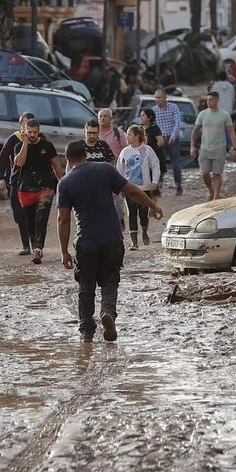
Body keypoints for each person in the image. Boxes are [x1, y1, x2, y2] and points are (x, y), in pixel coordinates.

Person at [56, 141, 163, 342]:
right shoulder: (105, 170)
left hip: (86, 242)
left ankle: (87, 331)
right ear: (86, 154)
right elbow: (131, 191)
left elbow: (63, 219)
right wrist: (152, 206)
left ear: (68, 159)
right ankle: (108, 313)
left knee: (86, 286)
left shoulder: (65, 182)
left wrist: (63, 251)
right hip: (112, 239)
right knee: (110, 280)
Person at [13, 119, 64, 264]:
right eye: (30, 132)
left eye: (35, 132)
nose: (32, 135)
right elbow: (20, 162)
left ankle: (38, 248)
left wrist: (64, 183)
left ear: (39, 131)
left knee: (41, 218)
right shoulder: (19, 146)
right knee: (30, 220)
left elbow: (57, 167)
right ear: (24, 131)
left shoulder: (47, 146)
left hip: (46, 187)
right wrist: (25, 143)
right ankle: (34, 245)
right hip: (26, 188)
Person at [116, 125, 160, 250]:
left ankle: (145, 231)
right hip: (129, 188)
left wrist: (154, 181)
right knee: (131, 213)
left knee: (143, 213)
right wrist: (119, 186)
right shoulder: (125, 152)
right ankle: (134, 242)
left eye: (130, 134)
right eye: (127, 134)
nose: (127, 136)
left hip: (144, 188)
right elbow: (120, 170)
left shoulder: (147, 150)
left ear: (137, 136)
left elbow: (155, 166)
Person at [0, 112, 35, 255]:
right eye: (26, 125)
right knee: (19, 215)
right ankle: (26, 246)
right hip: (16, 181)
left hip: (33, 183)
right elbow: (2, 159)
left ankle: (35, 244)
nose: (29, 129)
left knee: (33, 214)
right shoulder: (13, 140)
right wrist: (1, 178)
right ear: (21, 125)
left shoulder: (39, 140)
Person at [191, 91, 236, 202]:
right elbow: (196, 130)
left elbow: (231, 131)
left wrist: (234, 148)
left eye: (211, 99)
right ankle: (210, 190)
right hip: (205, 147)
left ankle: (216, 196)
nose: (208, 102)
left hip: (219, 147)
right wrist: (192, 146)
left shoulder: (224, 115)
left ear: (216, 100)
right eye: (207, 100)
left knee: (217, 173)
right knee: (204, 173)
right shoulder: (202, 114)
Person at [152, 89, 184, 196]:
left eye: (159, 97)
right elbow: (153, 126)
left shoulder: (173, 107)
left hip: (172, 138)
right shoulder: (154, 110)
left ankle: (178, 185)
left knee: (176, 163)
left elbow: (177, 122)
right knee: (159, 163)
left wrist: (173, 136)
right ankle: (157, 186)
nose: (157, 100)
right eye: (156, 98)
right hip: (160, 139)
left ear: (165, 98)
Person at [139, 108, 165, 183]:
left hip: (154, 157)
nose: (141, 117)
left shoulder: (154, 128)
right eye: (141, 115)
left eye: (143, 115)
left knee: (154, 183)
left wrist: (150, 151)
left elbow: (161, 142)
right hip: (142, 158)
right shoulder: (139, 128)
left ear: (149, 117)